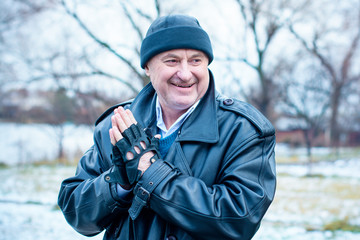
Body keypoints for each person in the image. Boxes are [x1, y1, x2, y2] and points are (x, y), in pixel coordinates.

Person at [58, 14, 276, 240]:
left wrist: (149, 170)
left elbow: (240, 219)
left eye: (195, 60)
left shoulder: (243, 130)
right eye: (171, 61)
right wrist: (118, 183)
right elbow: (77, 214)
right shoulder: (117, 125)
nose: (184, 73)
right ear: (147, 67)